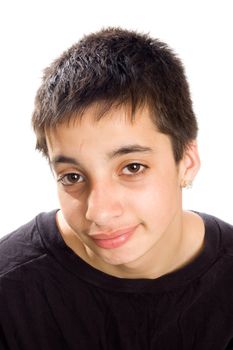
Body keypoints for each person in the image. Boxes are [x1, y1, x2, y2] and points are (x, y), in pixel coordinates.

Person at [0, 27, 233, 350]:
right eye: (72, 176)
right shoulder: (8, 291)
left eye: (132, 168)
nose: (99, 211)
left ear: (187, 162)